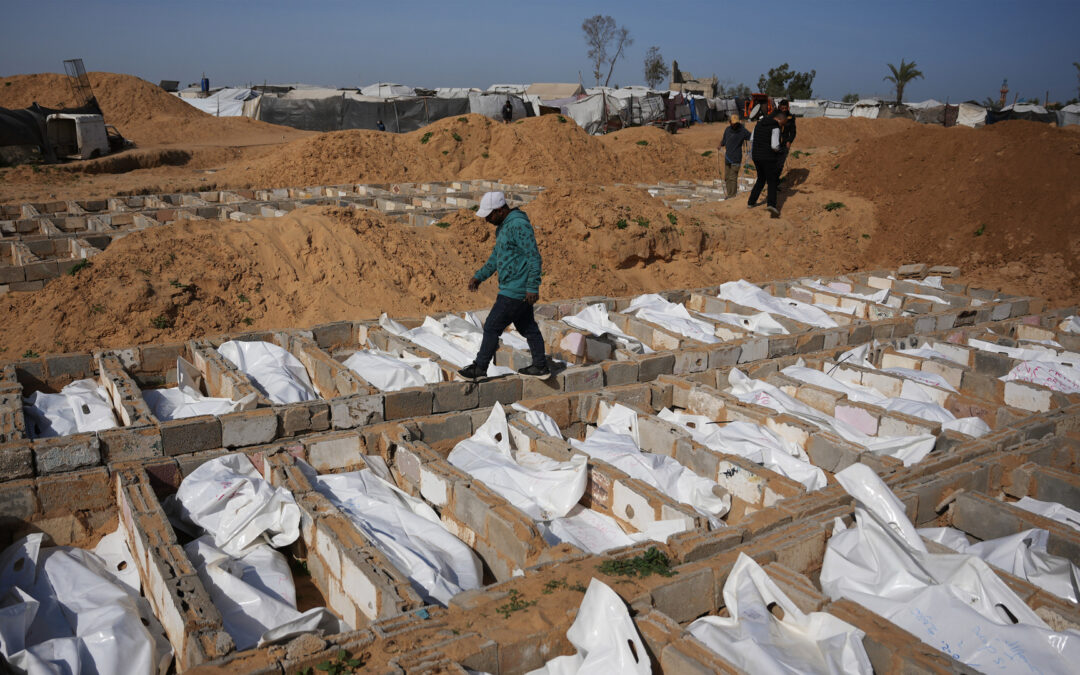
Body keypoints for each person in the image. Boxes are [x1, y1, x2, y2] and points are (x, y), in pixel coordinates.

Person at [459, 191, 550, 380]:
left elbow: (534, 257)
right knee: (528, 328)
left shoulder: (518, 225)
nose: (487, 220)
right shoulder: (503, 227)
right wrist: (479, 276)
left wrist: (532, 287)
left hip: (516, 290)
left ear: (500, 210)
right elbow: (496, 257)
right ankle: (540, 366)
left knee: (492, 326)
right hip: (514, 288)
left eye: (489, 215)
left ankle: (480, 368)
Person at [747, 109, 788, 218]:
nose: (782, 126)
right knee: (772, 180)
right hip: (768, 157)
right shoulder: (775, 127)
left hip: (756, 157)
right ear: (779, 119)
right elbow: (774, 146)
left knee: (761, 179)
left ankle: (751, 202)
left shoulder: (758, 124)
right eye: (782, 123)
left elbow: (752, 139)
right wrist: (781, 150)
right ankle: (771, 205)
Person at [718, 113, 751, 199]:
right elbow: (724, 141)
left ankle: (732, 196)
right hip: (728, 157)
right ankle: (729, 194)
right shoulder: (727, 130)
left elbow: (751, 137)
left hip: (736, 158)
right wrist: (720, 144)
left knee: (733, 178)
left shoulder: (742, 131)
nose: (735, 125)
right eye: (733, 123)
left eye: (736, 123)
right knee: (727, 177)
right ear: (730, 122)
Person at [774, 99, 797, 176]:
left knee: (780, 164)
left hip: (784, 143)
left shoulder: (791, 118)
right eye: (782, 108)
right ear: (779, 107)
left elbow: (793, 132)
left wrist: (789, 141)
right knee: (773, 162)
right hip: (774, 142)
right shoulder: (775, 116)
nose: (784, 110)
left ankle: (776, 180)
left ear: (788, 108)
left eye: (785, 108)